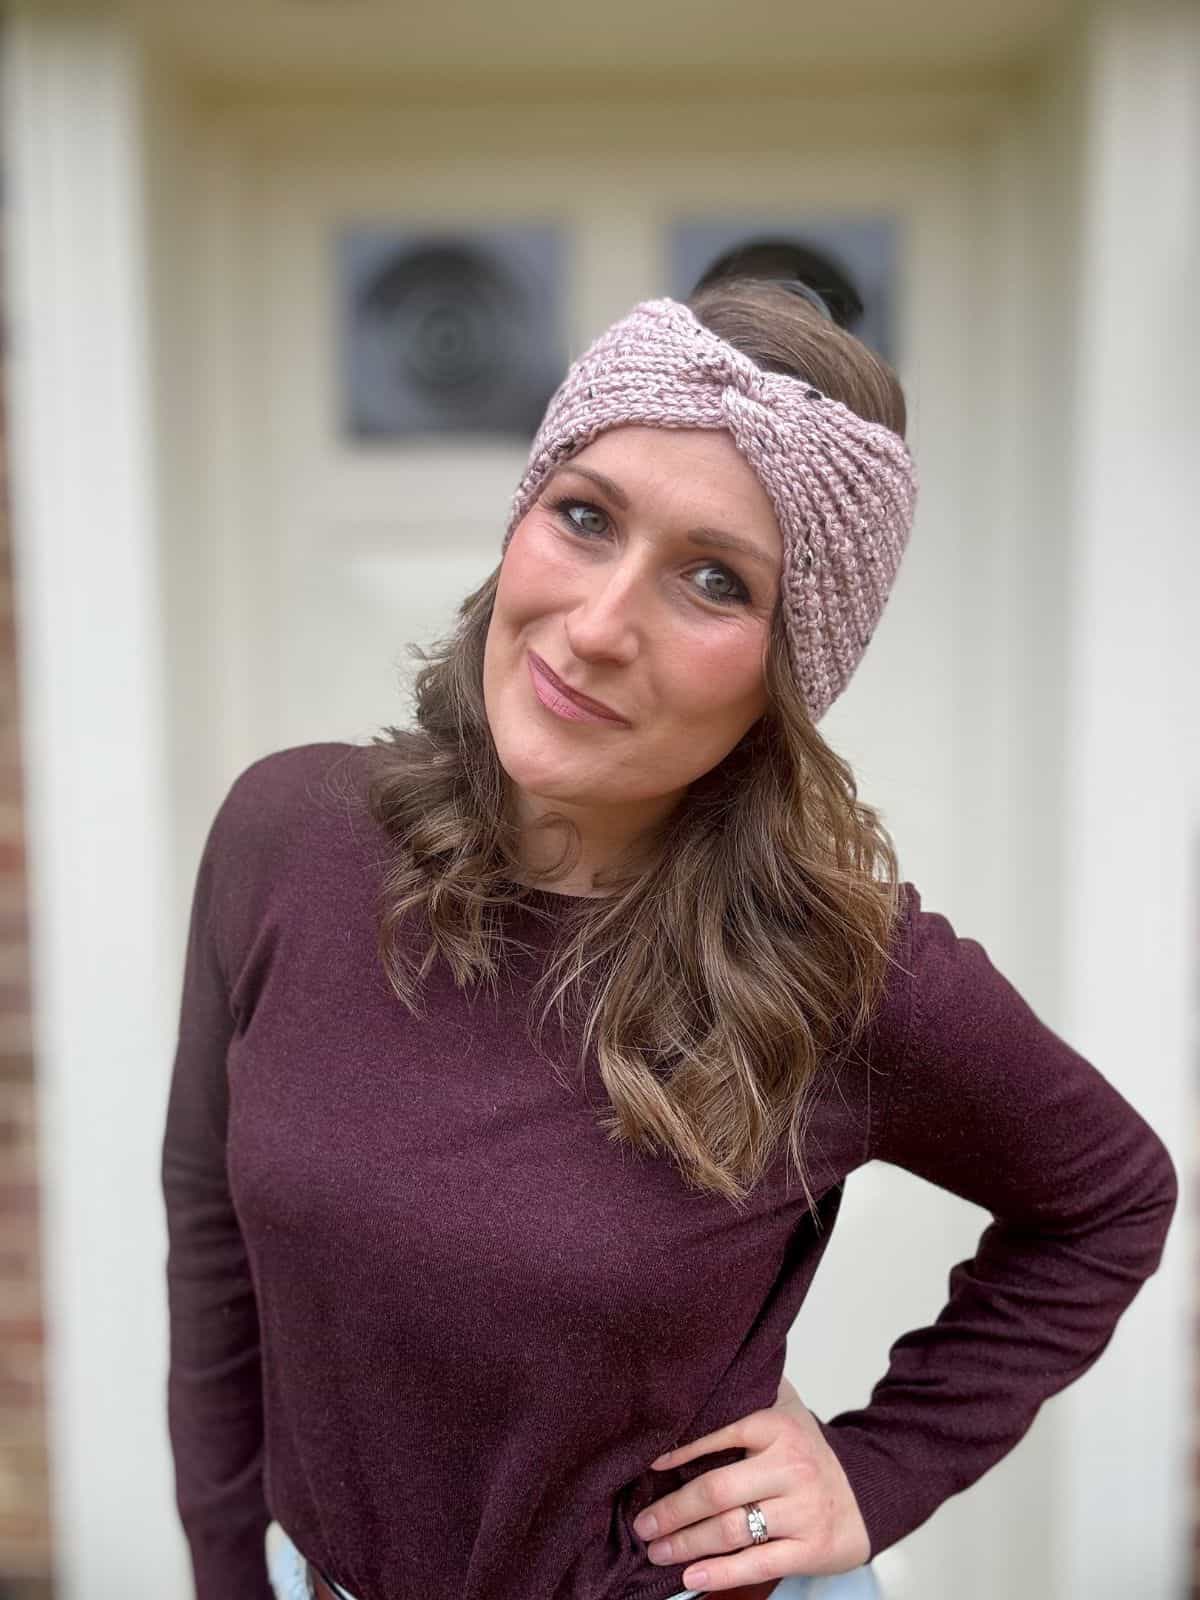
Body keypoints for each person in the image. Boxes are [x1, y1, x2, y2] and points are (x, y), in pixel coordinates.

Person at [160, 281, 1178, 1600]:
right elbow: (211, 1222)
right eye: (584, 517)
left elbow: (1108, 1198)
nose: (596, 626)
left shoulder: (834, 971)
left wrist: (880, 1471)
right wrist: (227, 1570)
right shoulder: (289, 835)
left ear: (787, 673)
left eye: (714, 580)